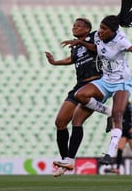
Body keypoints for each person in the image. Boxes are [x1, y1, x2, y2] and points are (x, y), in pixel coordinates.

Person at [54, 0, 132, 171]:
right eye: (100, 28)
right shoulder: (98, 37)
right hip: (105, 80)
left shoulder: (121, 40)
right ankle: (105, 113)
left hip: (121, 82)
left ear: (113, 31)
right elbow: (95, 47)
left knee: (119, 114)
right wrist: (79, 43)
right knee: (81, 96)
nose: (100, 32)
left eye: (104, 29)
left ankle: (110, 155)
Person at [45, 18, 112, 177]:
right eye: (73, 25)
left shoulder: (95, 36)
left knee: (77, 121)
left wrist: (80, 43)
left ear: (87, 29)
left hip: (96, 84)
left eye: (78, 25)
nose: (74, 27)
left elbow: (99, 50)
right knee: (60, 122)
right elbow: (72, 60)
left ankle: (108, 111)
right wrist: (55, 62)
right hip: (79, 86)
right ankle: (65, 161)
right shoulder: (75, 47)